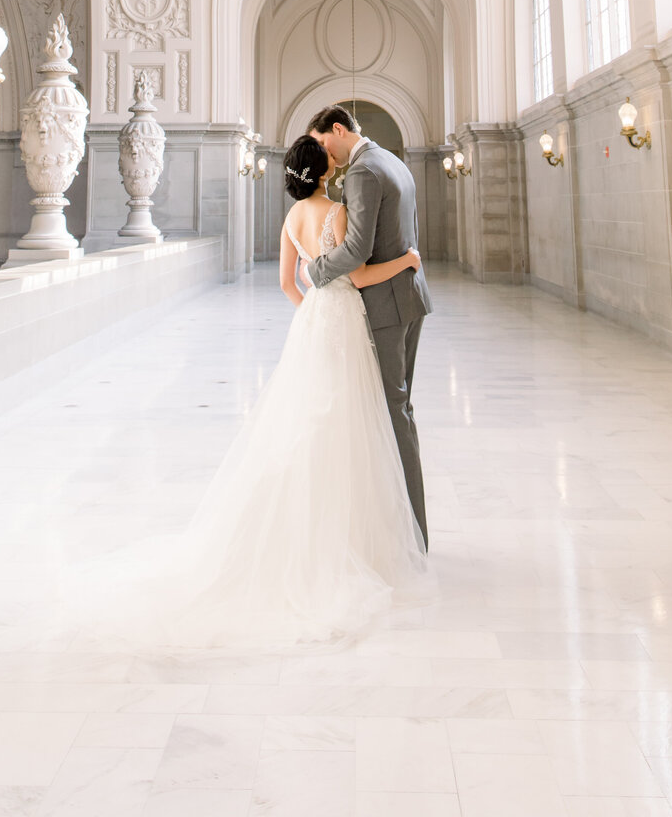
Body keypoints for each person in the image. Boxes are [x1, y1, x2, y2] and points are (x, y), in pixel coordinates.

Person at [89, 133, 428, 650]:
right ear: (322, 172)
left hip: (314, 326)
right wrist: (404, 263)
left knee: (308, 423)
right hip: (347, 321)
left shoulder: (292, 219)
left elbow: (289, 285)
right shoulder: (335, 212)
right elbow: (357, 275)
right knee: (354, 424)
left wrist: (314, 316)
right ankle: (356, 537)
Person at [305, 105, 432, 546]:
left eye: (323, 143)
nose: (325, 154)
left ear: (338, 129)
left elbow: (357, 250)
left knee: (392, 414)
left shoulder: (362, 172)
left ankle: (411, 534)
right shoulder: (391, 161)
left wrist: (316, 271)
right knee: (397, 409)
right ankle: (405, 526)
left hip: (385, 306)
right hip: (409, 296)